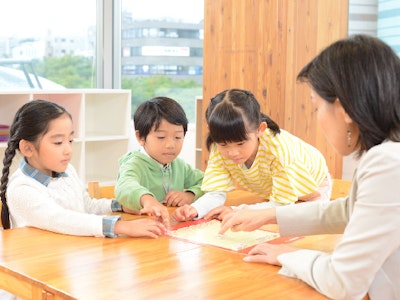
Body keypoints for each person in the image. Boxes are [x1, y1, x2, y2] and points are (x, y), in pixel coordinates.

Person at [208, 35, 400, 300]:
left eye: (316, 106)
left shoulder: (388, 164)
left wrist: (288, 255)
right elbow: (351, 211)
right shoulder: (389, 155)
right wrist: (270, 215)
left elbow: (343, 282)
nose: (318, 117)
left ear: (343, 109)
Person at [0, 100, 167, 238]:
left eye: (70, 140)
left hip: (70, 258)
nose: (68, 150)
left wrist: (121, 206)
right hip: (38, 268)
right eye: (58, 142)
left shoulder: (66, 171)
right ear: (28, 148)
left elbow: (85, 206)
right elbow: (61, 219)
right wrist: (121, 226)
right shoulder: (21, 189)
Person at [173, 88, 331, 222]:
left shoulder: (279, 150)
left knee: (306, 220)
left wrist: (236, 210)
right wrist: (195, 209)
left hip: (314, 185)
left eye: (241, 143)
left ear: (260, 129)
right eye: (224, 144)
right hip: (277, 192)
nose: (233, 152)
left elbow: (282, 205)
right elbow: (215, 193)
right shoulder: (218, 147)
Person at [115, 96, 204, 223]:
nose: (170, 145)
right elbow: (124, 186)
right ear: (141, 137)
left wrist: (189, 195)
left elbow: (207, 182)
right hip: (140, 230)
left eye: (178, 137)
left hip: (170, 228)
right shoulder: (134, 164)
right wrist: (147, 200)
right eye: (161, 137)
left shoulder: (179, 165)